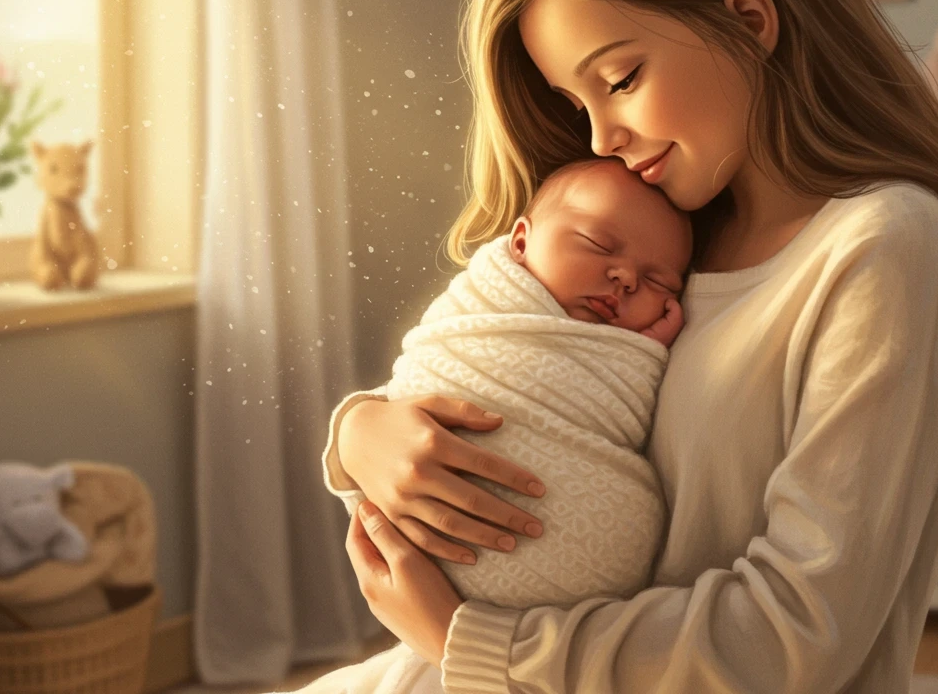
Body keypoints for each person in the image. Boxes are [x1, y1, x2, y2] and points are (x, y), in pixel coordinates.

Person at [321, 0, 938, 694]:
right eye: (576, 103)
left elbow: (795, 634)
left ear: (750, 20)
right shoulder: (661, 240)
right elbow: (509, 371)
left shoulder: (884, 246)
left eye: (620, 80)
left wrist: (472, 642)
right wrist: (362, 435)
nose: (602, 138)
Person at [293, 156, 691, 694]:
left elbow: (620, 411)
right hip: (444, 592)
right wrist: (356, 425)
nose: (625, 278)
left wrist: (640, 358)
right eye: (598, 245)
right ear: (521, 241)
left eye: (658, 282)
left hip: (555, 642)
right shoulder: (479, 306)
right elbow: (432, 373)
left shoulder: (636, 352)